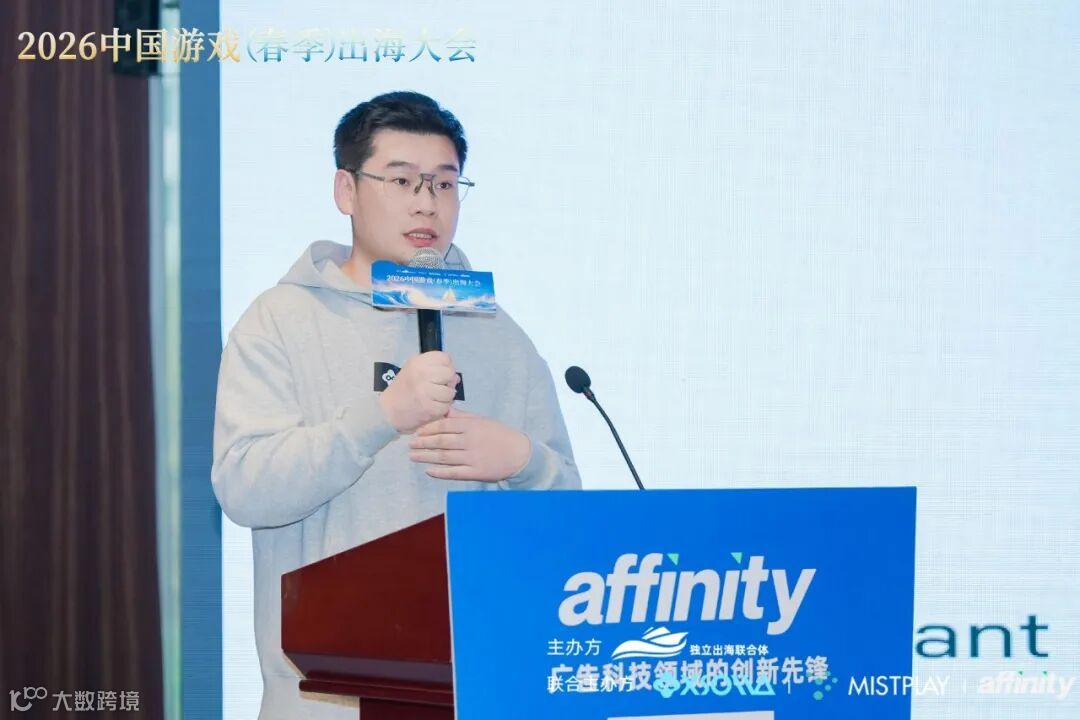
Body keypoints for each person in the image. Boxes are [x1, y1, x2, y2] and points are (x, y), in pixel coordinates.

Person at [211, 91, 581, 719]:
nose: (426, 203)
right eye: (402, 181)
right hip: (329, 699)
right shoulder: (280, 320)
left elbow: (568, 514)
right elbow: (245, 488)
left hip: (480, 689)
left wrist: (523, 460)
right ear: (346, 190)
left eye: (444, 184)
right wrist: (379, 417)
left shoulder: (500, 335)